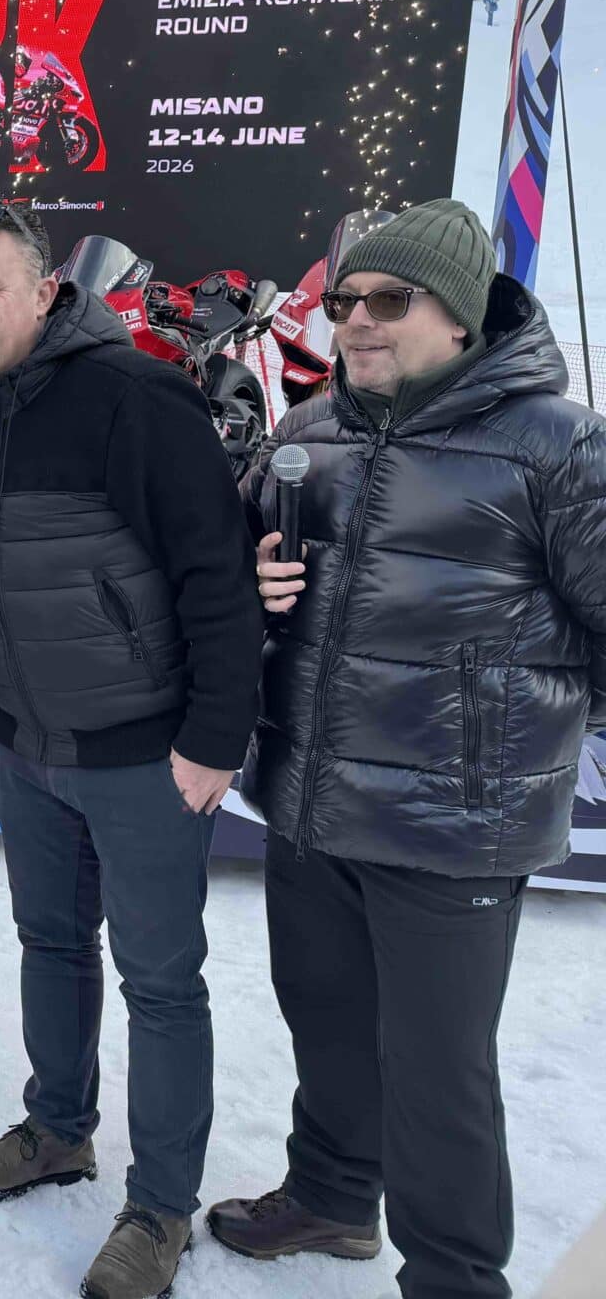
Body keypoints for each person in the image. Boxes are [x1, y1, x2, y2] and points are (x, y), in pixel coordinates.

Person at [209, 200, 606, 1299]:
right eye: (343, 304)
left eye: (389, 301)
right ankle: (333, 1200)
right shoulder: (306, 437)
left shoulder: (558, 445)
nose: (357, 324)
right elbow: (230, 580)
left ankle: (451, 1278)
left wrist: (515, 725)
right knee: (326, 1021)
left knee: (438, 1075)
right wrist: (251, 587)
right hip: (306, 793)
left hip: (453, 825)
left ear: (462, 317)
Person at [0, 201, 262, 1299]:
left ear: (42, 291)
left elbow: (214, 577)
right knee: (49, 946)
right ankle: (55, 1131)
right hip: (27, 742)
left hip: (143, 754)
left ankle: (158, 1207)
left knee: (160, 983)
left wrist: (214, 738)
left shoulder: (135, 395)